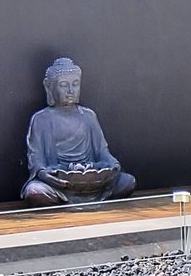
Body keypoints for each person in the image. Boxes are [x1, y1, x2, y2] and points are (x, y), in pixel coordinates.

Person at [21, 58, 135, 205]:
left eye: (75, 84)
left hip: (93, 180)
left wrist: (113, 164)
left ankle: (91, 198)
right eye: (63, 85)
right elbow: (35, 157)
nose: (70, 90)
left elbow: (102, 151)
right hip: (59, 183)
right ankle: (63, 202)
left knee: (128, 182)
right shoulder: (41, 119)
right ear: (49, 87)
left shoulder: (88, 116)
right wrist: (43, 174)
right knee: (35, 192)